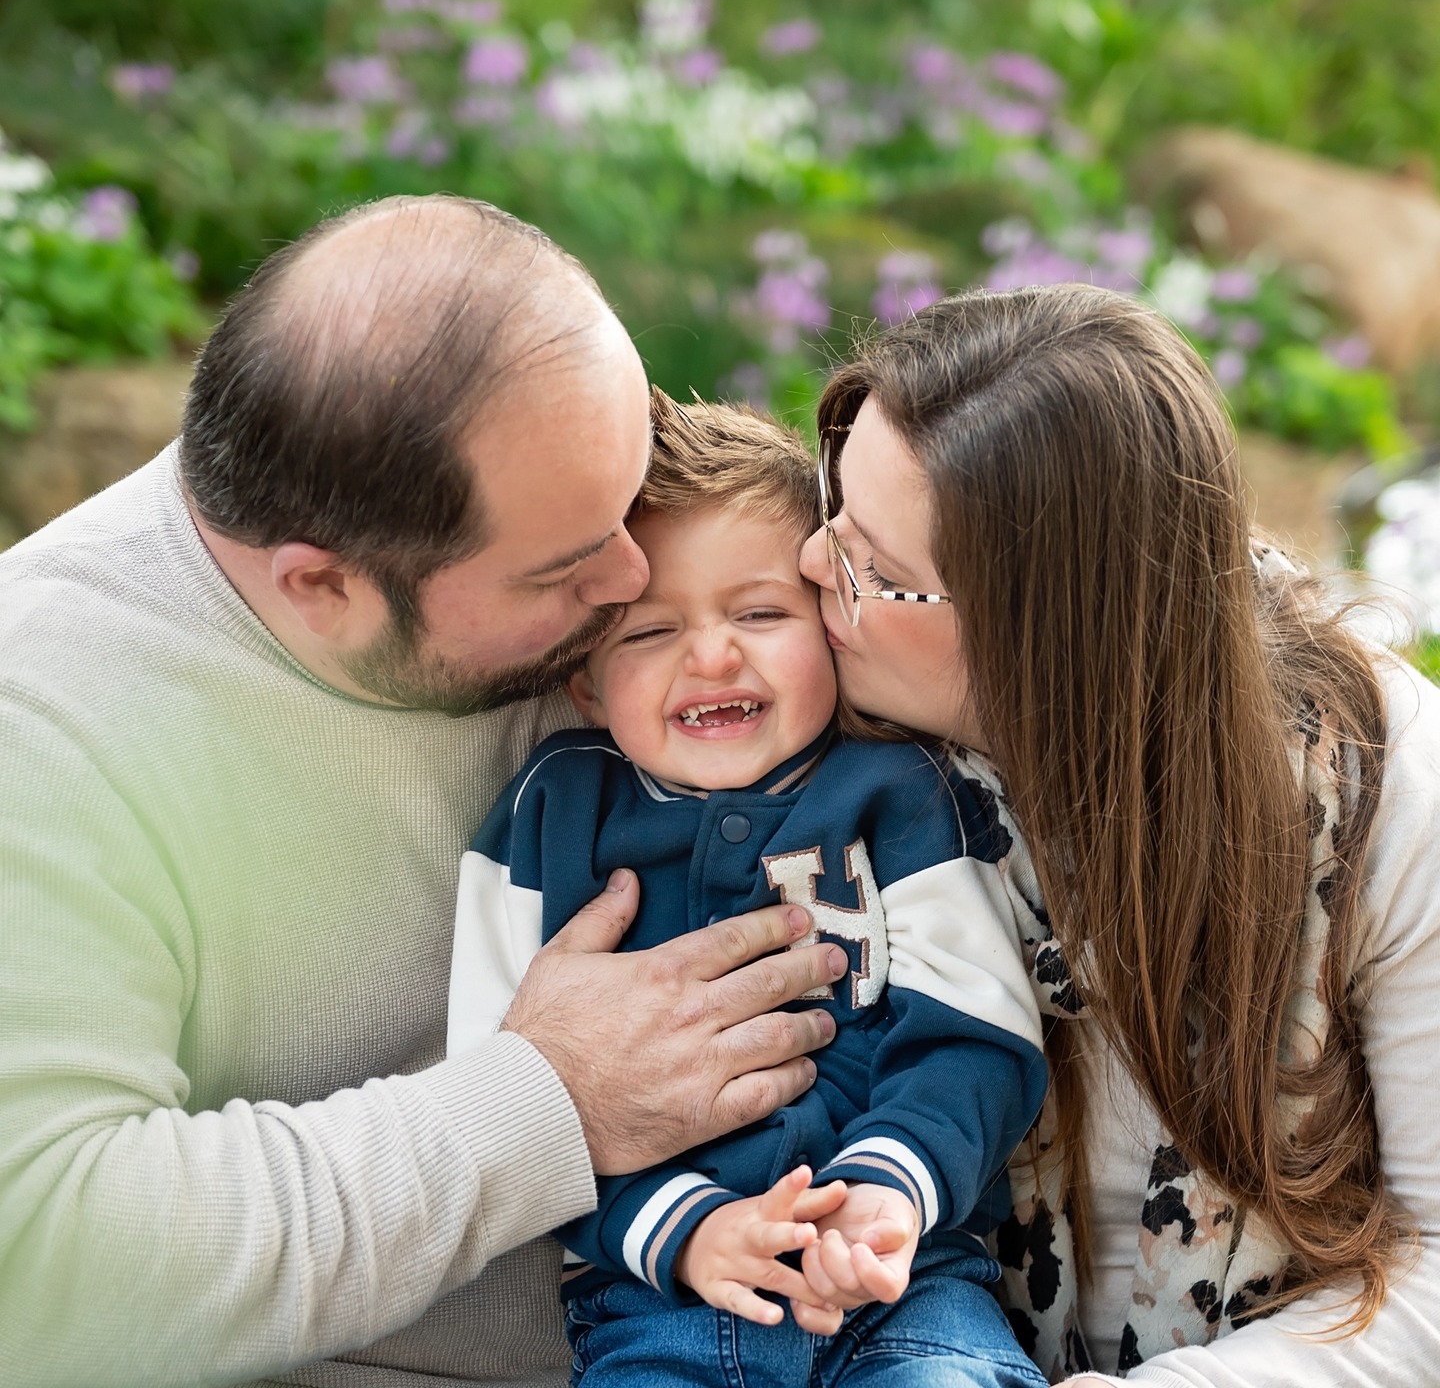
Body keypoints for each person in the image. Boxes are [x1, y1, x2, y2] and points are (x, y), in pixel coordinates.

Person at [0, 196, 848, 1388]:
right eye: (568, 569)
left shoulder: (566, 530)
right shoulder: (43, 722)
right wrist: (546, 1101)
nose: (635, 577)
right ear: (324, 587)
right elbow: (44, 1260)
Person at [794, 281, 1440, 1386]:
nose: (813, 568)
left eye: (876, 574)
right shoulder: (815, 755)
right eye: (830, 514)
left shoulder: (1376, 780)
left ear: (1046, 640)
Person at [448, 390, 1048, 1387]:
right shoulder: (552, 815)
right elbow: (498, 1096)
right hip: (659, 1309)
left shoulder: (901, 791)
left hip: (905, 1287)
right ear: (585, 681)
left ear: (831, 621)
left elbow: (974, 1032)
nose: (712, 653)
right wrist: (686, 1230)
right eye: (647, 633)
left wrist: (885, 1191)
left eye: (762, 613)